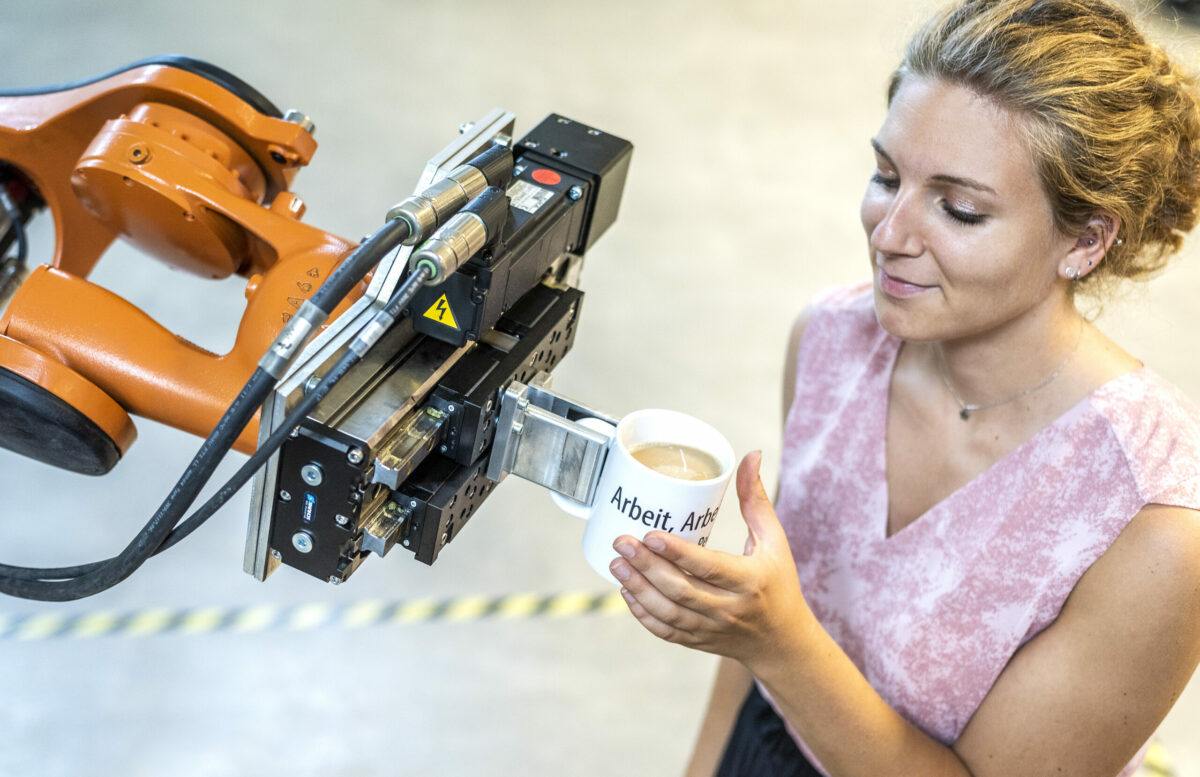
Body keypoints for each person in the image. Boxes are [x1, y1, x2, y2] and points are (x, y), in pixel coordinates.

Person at [609, 1, 1200, 775]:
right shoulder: (830, 338)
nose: (889, 235)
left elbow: (771, 632)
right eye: (887, 176)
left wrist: (776, 640)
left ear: (1086, 240)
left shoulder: (1153, 524)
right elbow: (767, 610)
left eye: (959, 208)